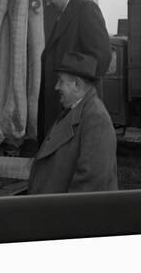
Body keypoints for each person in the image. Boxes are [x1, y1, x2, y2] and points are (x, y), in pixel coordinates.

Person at [36, 0, 111, 142]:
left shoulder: (86, 10)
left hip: (72, 105)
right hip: (61, 103)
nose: (47, 3)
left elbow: (101, 56)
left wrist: (78, 93)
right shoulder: (62, 17)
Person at [28, 52, 118, 194]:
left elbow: (91, 184)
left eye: (61, 81)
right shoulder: (76, 110)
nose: (56, 87)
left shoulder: (96, 119)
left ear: (76, 84)